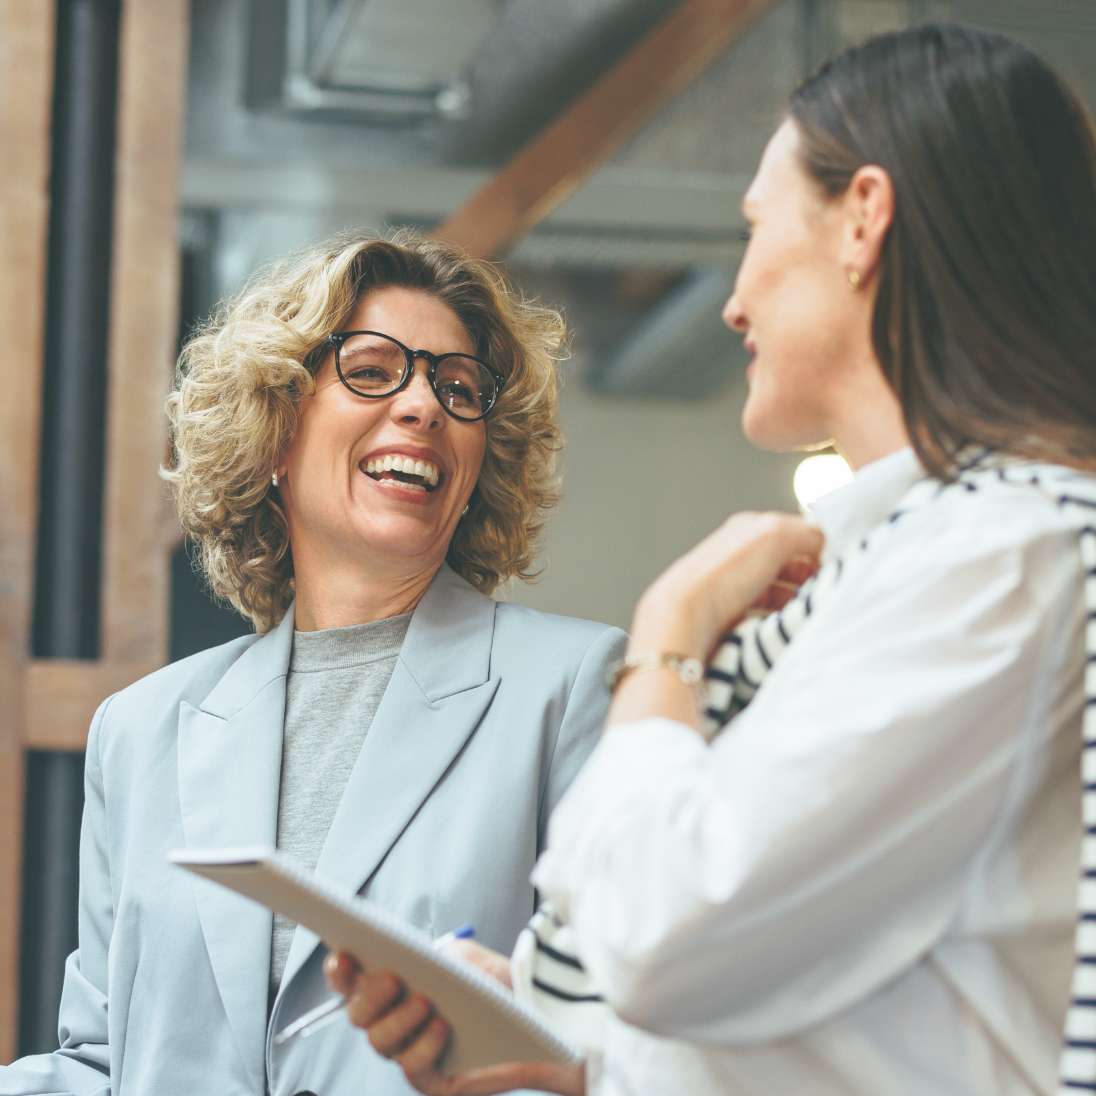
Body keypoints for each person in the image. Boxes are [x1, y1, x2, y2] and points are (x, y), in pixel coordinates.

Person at [330, 23, 1096, 1096]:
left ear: (863, 218)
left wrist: (668, 640)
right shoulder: (942, 553)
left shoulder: (1002, 554)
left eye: (754, 228)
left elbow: (664, 944)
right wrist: (568, 1056)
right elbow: (875, 1013)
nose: (732, 298)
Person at [0, 232, 626, 1096]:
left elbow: (621, 1043)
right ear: (276, 434)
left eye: (458, 388)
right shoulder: (141, 731)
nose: (424, 406)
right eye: (372, 370)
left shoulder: (574, 687)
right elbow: (99, 1064)